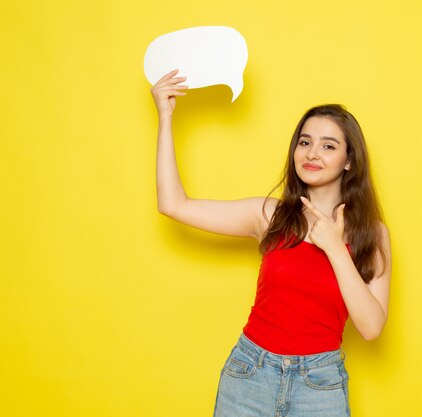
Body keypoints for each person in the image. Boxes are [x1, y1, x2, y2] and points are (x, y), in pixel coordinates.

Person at [150, 69, 391, 417]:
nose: (312, 153)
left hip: (320, 385)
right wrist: (166, 116)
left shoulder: (373, 233)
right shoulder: (269, 215)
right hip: (250, 374)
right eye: (305, 142)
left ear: (349, 161)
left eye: (329, 146)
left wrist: (336, 249)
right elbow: (173, 204)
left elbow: (371, 328)